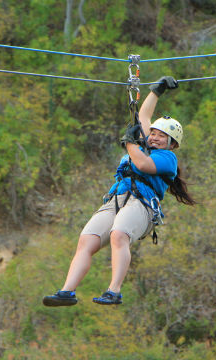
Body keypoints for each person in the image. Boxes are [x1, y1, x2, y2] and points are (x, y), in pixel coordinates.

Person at [43, 76, 196, 307]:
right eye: (153, 133)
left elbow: (143, 165)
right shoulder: (144, 145)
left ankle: (114, 290)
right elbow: (143, 117)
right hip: (119, 199)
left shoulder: (167, 158)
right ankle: (67, 291)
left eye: (161, 136)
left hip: (141, 204)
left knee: (118, 234)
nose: (154, 137)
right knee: (87, 240)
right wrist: (157, 91)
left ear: (172, 144)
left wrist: (130, 143)